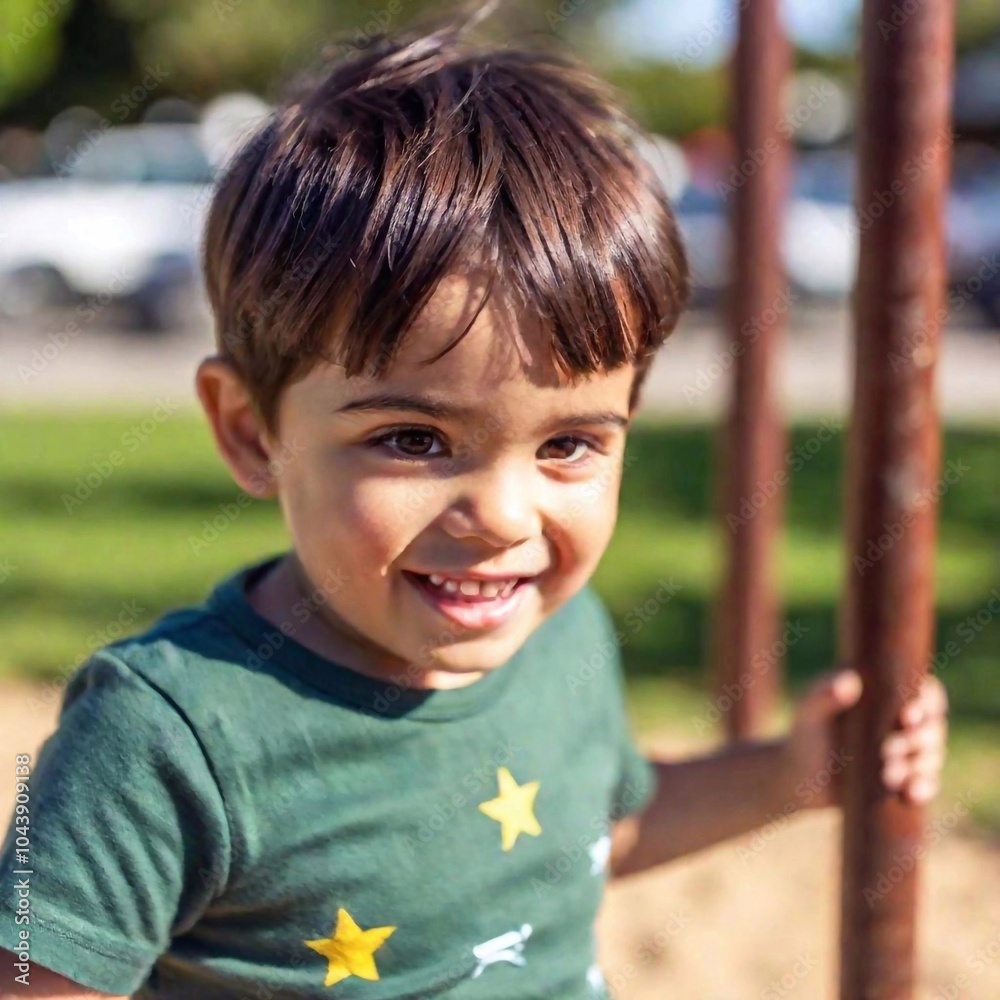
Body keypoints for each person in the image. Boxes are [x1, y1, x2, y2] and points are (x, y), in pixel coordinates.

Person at [0, 14, 948, 1000]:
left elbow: (591, 830)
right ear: (249, 430)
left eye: (568, 443)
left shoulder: (561, 636)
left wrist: (787, 775)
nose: (501, 514)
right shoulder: (163, 734)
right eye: (412, 439)